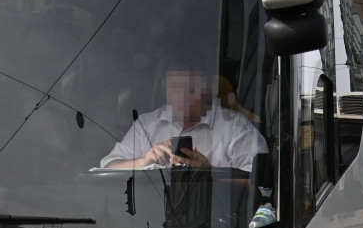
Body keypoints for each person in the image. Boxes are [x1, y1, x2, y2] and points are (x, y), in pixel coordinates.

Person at [99, 67, 266, 171]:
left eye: (191, 90)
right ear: (165, 89)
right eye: (176, 89)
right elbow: (108, 166)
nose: (183, 98)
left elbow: (261, 185)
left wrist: (210, 172)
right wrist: (144, 161)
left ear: (205, 91)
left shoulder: (235, 126)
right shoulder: (147, 124)